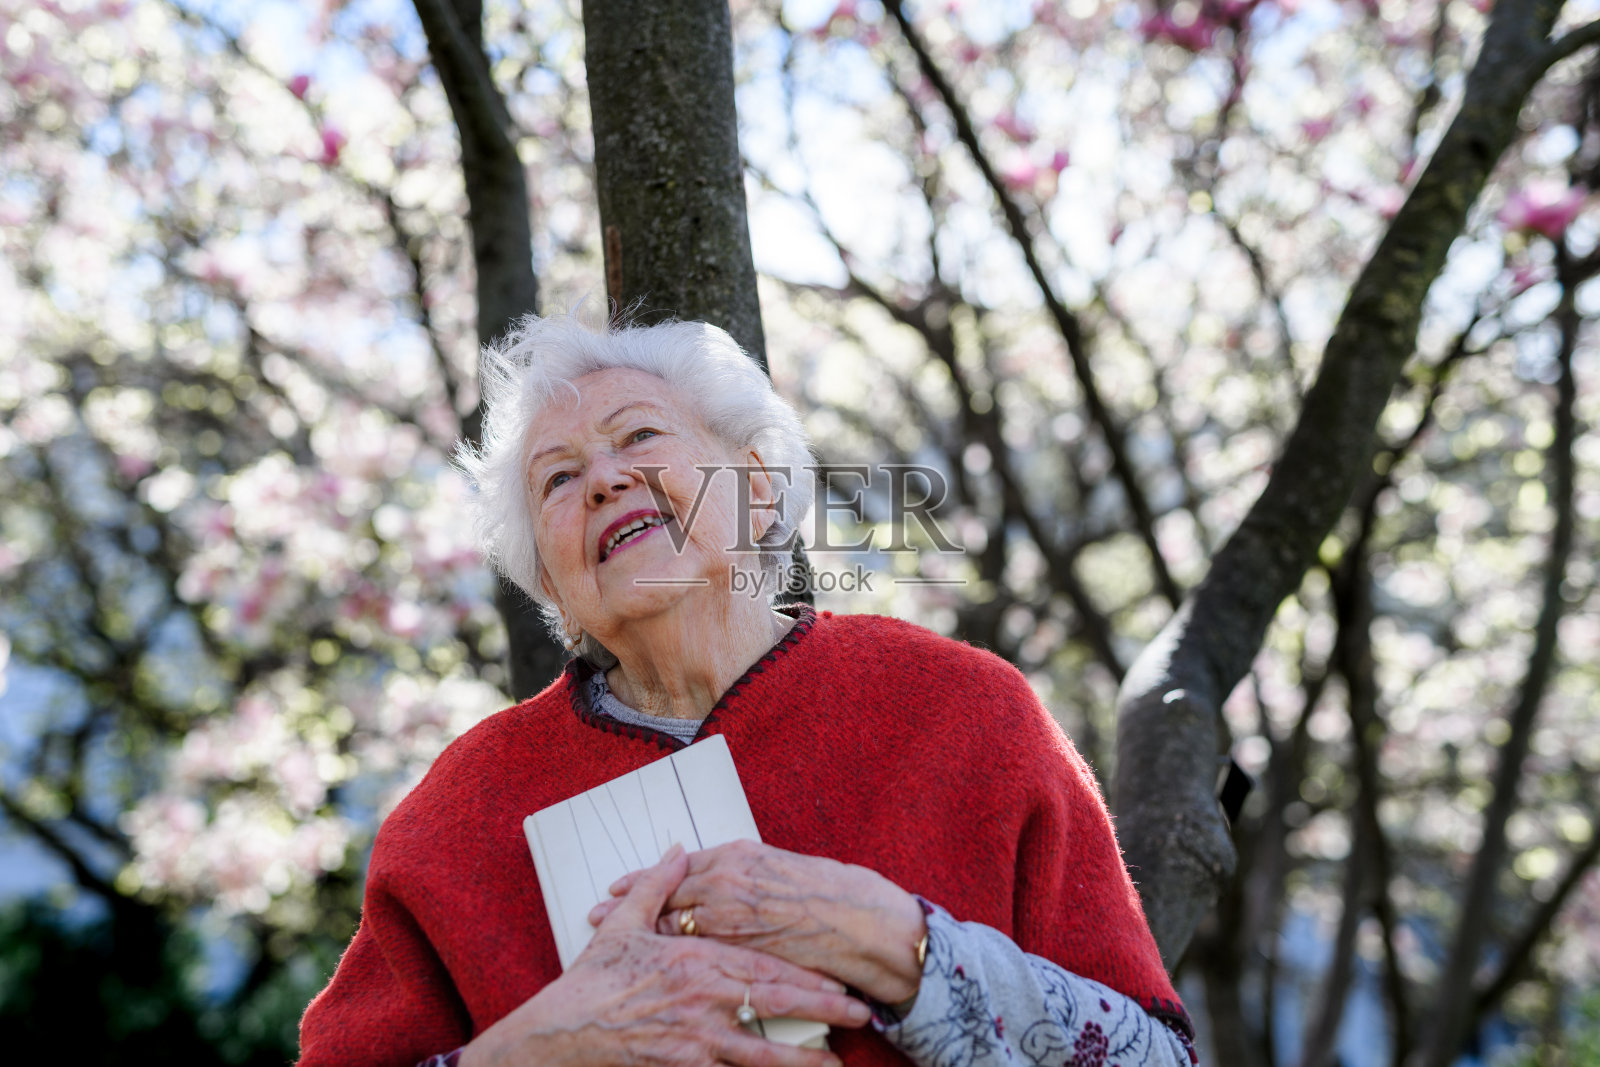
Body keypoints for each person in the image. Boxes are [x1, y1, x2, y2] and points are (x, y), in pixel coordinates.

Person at [297, 314, 1198, 1067]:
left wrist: (903, 946)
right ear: (555, 588)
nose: (606, 478)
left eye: (641, 436)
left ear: (759, 490)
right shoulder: (457, 815)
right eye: (559, 480)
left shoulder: (962, 708)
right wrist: (532, 1050)